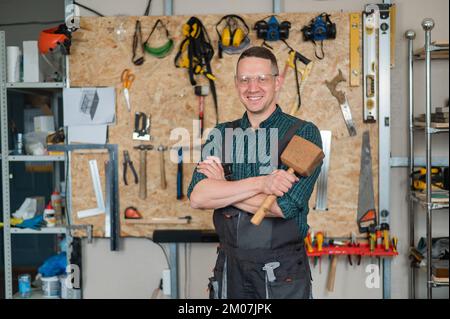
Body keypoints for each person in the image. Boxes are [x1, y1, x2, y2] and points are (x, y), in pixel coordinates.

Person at [187, 46, 322, 299]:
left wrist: (223, 186)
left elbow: (284, 207)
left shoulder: (303, 133)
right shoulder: (221, 134)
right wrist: (263, 183)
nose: (253, 87)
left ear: (278, 81)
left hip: (282, 271)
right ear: (236, 83)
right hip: (230, 267)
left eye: (262, 78)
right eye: (245, 79)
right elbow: (198, 197)